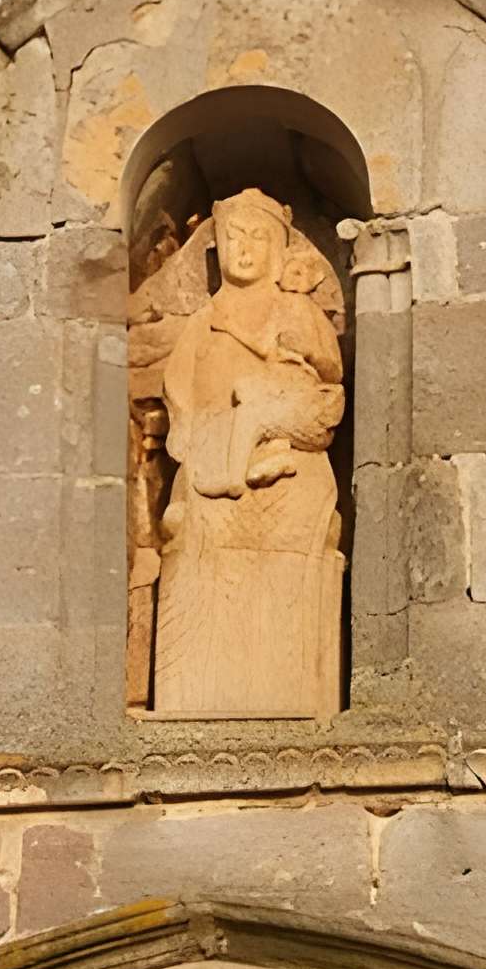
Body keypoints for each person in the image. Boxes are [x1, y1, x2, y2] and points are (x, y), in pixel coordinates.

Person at [150, 190, 347, 719]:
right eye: (234, 236)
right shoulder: (203, 322)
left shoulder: (296, 310)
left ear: (280, 253)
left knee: (302, 529)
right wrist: (188, 435)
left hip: (291, 460)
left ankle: (294, 686)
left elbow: (328, 367)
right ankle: (196, 688)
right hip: (215, 451)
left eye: (258, 237)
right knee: (191, 526)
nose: (244, 247)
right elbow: (180, 387)